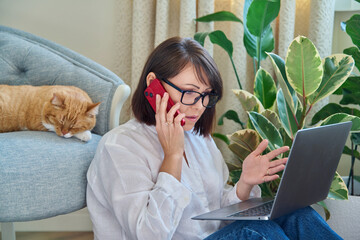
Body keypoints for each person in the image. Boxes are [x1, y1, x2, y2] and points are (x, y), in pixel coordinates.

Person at [86, 37, 342, 240]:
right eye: (189, 93)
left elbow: (216, 212)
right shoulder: (119, 147)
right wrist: (172, 157)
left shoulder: (198, 139)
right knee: (255, 233)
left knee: (297, 215)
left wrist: (244, 184)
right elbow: (150, 234)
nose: (199, 106)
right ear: (154, 85)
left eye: (207, 95)